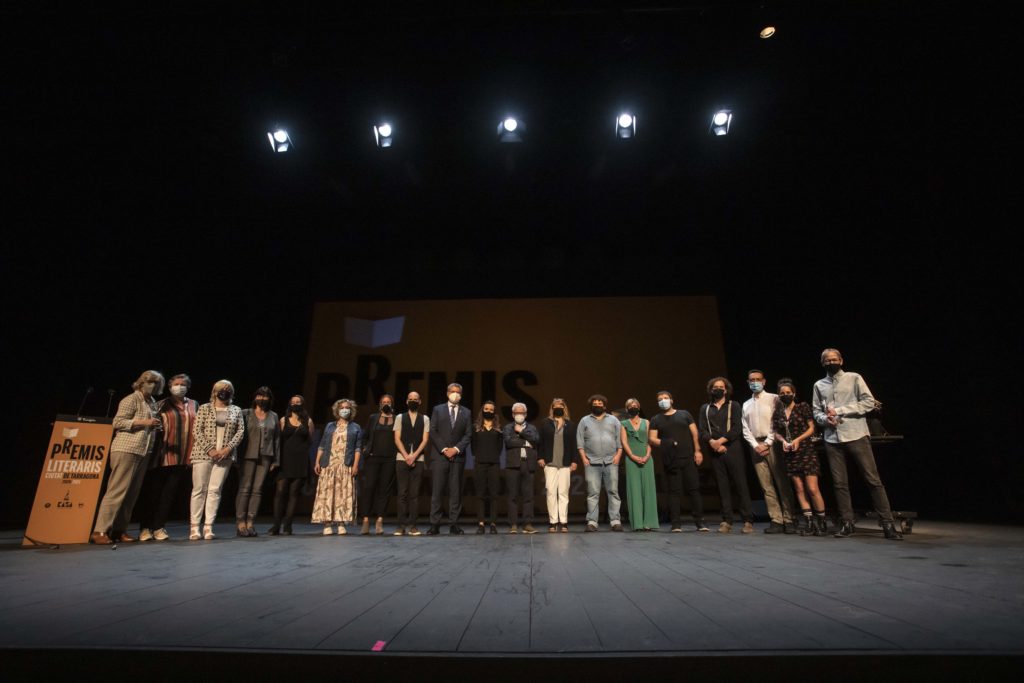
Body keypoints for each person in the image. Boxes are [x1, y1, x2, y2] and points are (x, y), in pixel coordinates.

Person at [813, 348, 902, 540]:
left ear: (841, 361)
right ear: (822, 363)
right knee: (839, 483)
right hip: (832, 438)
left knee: (872, 479)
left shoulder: (854, 378)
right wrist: (825, 419)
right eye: (827, 361)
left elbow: (869, 402)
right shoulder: (819, 385)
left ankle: (887, 523)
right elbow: (816, 412)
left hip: (856, 434)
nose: (831, 363)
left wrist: (841, 410)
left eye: (834, 359)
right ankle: (847, 523)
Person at [92, 370, 165, 545]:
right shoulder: (131, 399)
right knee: (117, 491)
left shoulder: (152, 402)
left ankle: (119, 530)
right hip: (126, 448)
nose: (152, 385)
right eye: (149, 381)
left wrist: (154, 427)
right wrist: (144, 422)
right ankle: (100, 530)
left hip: (143, 451)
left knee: (131, 494)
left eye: (156, 383)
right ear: (141, 382)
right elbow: (117, 422)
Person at [137, 373, 197, 542]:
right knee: (153, 493)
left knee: (169, 494)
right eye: (176, 384)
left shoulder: (194, 405)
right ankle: (145, 528)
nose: (180, 386)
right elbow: (154, 427)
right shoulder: (161, 404)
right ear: (170, 387)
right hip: (161, 456)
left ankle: (159, 527)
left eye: (183, 384)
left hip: (182, 457)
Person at [742, 369, 797, 534]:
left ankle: (789, 519)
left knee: (782, 482)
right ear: (748, 382)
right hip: (756, 447)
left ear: (764, 381)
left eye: (758, 379)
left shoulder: (774, 398)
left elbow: (778, 422)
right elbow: (745, 428)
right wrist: (755, 445)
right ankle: (776, 519)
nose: (755, 382)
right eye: (752, 380)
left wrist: (767, 443)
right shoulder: (746, 404)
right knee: (766, 486)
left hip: (773, 444)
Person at [189, 379, 246, 540]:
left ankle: (208, 526)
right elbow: (197, 430)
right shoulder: (205, 408)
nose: (225, 391)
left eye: (228, 389)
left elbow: (240, 431)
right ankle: (194, 527)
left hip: (225, 456)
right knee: (199, 489)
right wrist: (210, 450)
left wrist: (227, 449)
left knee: (215, 490)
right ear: (215, 391)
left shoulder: (236, 410)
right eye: (222, 388)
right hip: (203, 454)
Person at [698, 377, 754, 534]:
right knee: (722, 486)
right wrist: (712, 443)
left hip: (732, 448)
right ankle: (726, 520)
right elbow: (702, 430)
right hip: (714, 450)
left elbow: (737, 428)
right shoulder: (705, 408)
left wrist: (721, 442)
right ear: (711, 390)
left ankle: (748, 520)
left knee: (740, 484)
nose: (718, 389)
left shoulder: (733, 405)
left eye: (721, 387)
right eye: (715, 387)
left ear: (726, 389)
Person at [773, 379, 827, 536]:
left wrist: (798, 439)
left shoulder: (802, 407)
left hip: (806, 450)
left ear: (794, 393)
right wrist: (783, 441)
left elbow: (812, 428)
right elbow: (776, 432)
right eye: (782, 393)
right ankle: (809, 522)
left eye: (788, 393)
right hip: (789, 452)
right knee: (799, 488)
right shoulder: (778, 412)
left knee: (812, 488)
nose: (785, 395)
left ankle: (821, 522)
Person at [649, 390, 708, 532]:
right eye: (660, 399)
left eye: (665, 398)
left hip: (688, 457)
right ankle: (676, 524)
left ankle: (700, 522)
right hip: (671, 460)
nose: (663, 400)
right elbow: (652, 439)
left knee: (694, 490)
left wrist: (698, 451)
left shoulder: (684, 414)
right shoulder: (656, 419)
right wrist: (666, 442)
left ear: (671, 400)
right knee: (674, 492)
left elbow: (695, 433)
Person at [427, 383, 473, 535]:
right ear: (447, 393)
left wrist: (456, 449)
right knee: (437, 491)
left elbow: (468, 434)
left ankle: (454, 523)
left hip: (458, 457)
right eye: (453, 392)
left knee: (456, 492)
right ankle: (435, 524)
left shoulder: (466, 412)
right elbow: (432, 430)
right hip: (440, 456)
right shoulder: (437, 409)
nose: (455, 394)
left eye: (458, 392)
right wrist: (445, 449)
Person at [235, 386, 280, 537]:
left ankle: (250, 522)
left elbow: (277, 440)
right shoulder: (245, 413)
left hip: (266, 456)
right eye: (260, 396)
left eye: (266, 396)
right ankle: (240, 522)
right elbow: (238, 435)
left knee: (257, 489)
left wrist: (276, 460)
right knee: (245, 488)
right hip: (247, 455)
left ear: (270, 399)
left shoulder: (273, 416)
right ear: (255, 397)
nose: (262, 398)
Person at [312, 399, 362, 535]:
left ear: (351, 410)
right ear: (337, 410)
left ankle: (341, 523)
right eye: (342, 407)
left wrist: (355, 465)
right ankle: (327, 523)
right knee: (327, 494)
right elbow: (322, 445)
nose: (344, 410)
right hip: (329, 465)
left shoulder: (355, 427)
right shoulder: (329, 426)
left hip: (345, 465)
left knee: (342, 495)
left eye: (347, 408)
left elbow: (358, 448)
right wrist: (317, 462)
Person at [577, 394, 623, 532]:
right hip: (591, 462)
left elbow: (619, 441)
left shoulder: (614, 420)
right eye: (594, 403)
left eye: (600, 403)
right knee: (592, 493)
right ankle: (592, 521)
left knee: (613, 491)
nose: (597, 404)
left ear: (604, 405)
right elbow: (580, 442)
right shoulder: (584, 420)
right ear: (591, 405)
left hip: (611, 461)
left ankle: (615, 521)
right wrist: (584, 459)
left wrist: (618, 456)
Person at [269, 395, 314, 535]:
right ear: (289, 404)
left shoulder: (308, 421)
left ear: (302, 404)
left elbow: (311, 440)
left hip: (300, 460)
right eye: (293, 402)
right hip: (284, 460)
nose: (295, 404)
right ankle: (276, 525)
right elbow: (277, 440)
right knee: (280, 491)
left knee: (294, 493)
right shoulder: (283, 420)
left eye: (298, 402)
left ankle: (288, 526)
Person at [359, 394, 398, 536]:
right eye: (383, 402)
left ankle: (380, 520)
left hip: (389, 459)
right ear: (380, 404)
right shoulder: (373, 418)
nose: (386, 404)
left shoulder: (397, 418)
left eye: (388, 402)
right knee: (369, 488)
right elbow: (365, 436)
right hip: (372, 458)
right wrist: (364, 449)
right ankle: (365, 520)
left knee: (384, 490)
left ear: (392, 404)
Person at [537, 398, 577, 533]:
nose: (558, 408)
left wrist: (574, 460)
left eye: (561, 406)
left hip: (565, 464)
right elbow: (540, 442)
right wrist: (540, 457)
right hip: (550, 463)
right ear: (552, 408)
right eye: (555, 406)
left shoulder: (570, 424)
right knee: (551, 492)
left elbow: (573, 444)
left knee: (563, 493)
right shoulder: (545, 423)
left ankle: (563, 522)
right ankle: (553, 521)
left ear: (564, 408)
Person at [393, 391, 430, 536]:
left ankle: (413, 526)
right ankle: (400, 526)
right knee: (402, 493)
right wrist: (406, 455)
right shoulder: (400, 417)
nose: (413, 401)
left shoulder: (425, 419)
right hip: (401, 459)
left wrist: (414, 456)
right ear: (406, 401)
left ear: (420, 401)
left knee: (414, 494)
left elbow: (425, 440)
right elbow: (397, 438)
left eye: (416, 399)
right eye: (410, 399)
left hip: (418, 459)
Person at [620, 398, 658, 531]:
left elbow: (650, 441)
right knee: (634, 489)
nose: (633, 407)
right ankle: (637, 523)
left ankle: (649, 522)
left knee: (648, 489)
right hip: (631, 459)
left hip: (646, 458)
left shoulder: (647, 422)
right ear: (627, 409)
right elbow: (624, 442)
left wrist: (647, 455)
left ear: (639, 408)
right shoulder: (623, 423)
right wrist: (632, 456)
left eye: (635, 405)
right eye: (630, 405)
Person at [502, 402, 540, 534]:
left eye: (521, 413)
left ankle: (528, 523)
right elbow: (508, 442)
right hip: (513, 464)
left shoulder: (532, 428)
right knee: (512, 495)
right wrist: (525, 442)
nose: (519, 415)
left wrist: (521, 432)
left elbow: (535, 440)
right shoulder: (508, 428)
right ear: (513, 414)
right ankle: (513, 524)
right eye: (517, 413)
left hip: (528, 464)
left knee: (528, 495)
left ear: (526, 414)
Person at [471, 401, 503, 534]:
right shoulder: (476, 427)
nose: (488, 411)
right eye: (486, 409)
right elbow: (473, 447)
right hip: (480, 464)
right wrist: (480, 456)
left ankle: (493, 524)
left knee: (494, 494)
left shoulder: (498, 429)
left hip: (494, 464)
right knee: (480, 494)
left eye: (491, 409)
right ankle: (481, 524)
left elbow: (499, 448)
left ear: (494, 412)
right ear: (482, 410)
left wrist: (492, 457)